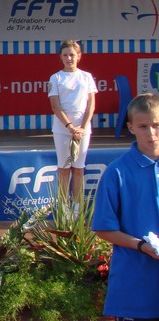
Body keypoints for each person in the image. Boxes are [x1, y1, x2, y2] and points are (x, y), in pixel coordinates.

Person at [92, 93, 159, 320]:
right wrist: (141, 246)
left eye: (156, 125)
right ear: (131, 127)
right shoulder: (117, 172)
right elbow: (104, 228)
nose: (151, 133)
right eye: (143, 126)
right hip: (135, 287)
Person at [48, 39, 97, 212]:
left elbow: (91, 105)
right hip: (62, 130)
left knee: (78, 169)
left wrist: (82, 127)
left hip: (83, 130)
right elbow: (55, 106)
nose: (69, 58)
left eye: (72, 55)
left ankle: (76, 209)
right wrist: (70, 126)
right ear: (61, 57)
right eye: (65, 55)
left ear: (79, 56)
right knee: (64, 168)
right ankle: (64, 209)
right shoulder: (55, 78)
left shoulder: (87, 77)